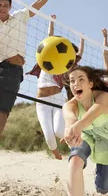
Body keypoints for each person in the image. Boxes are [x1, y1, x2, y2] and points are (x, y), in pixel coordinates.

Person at [0, 0, 68, 145]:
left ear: (10, 7)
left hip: (12, 71)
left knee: (3, 111)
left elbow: (40, 1)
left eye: (5, 5)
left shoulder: (20, 16)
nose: (2, 7)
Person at [63, 65, 108, 196]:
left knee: (102, 188)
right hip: (87, 133)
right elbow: (69, 119)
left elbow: (93, 113)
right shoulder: (69, 105)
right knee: (75, 161)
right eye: (72, 81)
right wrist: (69, 131)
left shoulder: (104, 96)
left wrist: (77, 127)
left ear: (90, 83)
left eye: (80, 79)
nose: (75, 84)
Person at [26, 15, 84, 160]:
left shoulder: (65, 65)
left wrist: (82, 40)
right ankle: (56, 153)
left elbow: (79, 55)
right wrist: (51, 22)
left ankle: (77, 151)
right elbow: (49, 38)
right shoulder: (46, 59)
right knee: (49, 134)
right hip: (42, 100)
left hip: (58, 99)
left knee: (59, 131)